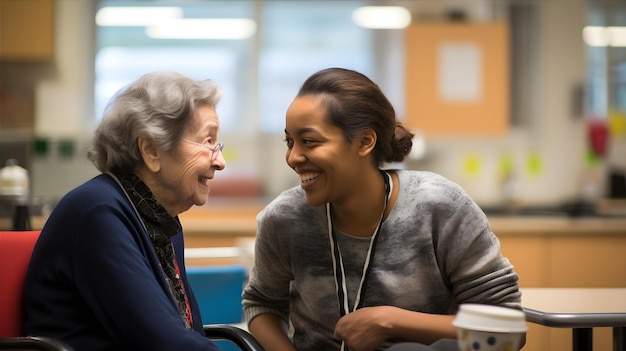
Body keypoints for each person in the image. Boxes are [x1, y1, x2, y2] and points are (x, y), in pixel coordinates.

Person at [242, 67, 525, 351]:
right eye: (290, 142)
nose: (293, 157)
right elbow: (262, 304)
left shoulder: (440, 207)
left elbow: (507, 327)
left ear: (365, 142)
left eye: (309, 141)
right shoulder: (283, 219)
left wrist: (392, 321)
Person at [22, 71, 227, 350]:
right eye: (207, 142)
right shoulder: (97, 213)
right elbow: (164, 342)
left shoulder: (159, 219)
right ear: (151, 150)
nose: (221, 161)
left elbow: (185, 332)